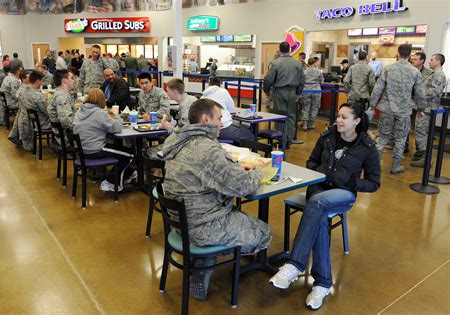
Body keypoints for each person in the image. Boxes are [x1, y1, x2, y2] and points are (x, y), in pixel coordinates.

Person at [270, 103, 380, 310]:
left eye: (344, 117)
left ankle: (295, 264)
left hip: (343, 193)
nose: (339, 120)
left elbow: (374, 183)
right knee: (318, 207)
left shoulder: (367, 147)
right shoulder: (327, 135)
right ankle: (322, 283)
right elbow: (311, 161)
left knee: (317, 204)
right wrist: (320, 174)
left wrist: (349, 182)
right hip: (319, 188)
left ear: (356, 122)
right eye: (338, 115)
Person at [162, 98, 272, 300]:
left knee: (235, 215)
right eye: (219, 118)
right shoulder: (206, 148)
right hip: (203, 226)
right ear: (205, 119)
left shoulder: (177, 140)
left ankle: (203, 261)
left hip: (181, 221)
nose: (222, 123)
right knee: (264, 231)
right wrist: (258, 172)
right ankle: (205, 262)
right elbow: (241, 186)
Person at [369, 44, 427, 174]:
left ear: (398, 54)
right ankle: (395, 166)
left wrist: (372, 106)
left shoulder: (388, 69)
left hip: (387, 109)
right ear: (410, 55)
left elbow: (378, 89)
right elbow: (420, 93)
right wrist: (421, 109)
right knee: (401, 139)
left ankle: (374, 166)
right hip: (404, 111)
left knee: (382, 137)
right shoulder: (415, 71)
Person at [73, 88, 135, 192]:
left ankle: (128, 173)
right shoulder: (99, 113)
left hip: (82, 150)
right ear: (102, 100)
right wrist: (116, 116)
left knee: (120, 151)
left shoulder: (80, 110)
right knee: (129, 154)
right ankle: (111, 182)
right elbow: (117, 128)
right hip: (95, 149)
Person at [264, 41, 305, 147]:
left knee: (279, 115)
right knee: (291, 116)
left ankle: (281, 139)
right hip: (292, 92)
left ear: (280, 50)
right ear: (290, 50)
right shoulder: (297, 63)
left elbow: (268, 79)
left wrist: (267, 91)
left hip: (279, 91)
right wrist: (298, 93)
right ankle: (289, 140)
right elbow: (302, 80)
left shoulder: (276, 63)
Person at [411, 53, 447, 167]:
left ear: (438, 61)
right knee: (421, 132)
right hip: (424, 107)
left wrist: (420, 94)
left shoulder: (439, 75)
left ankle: (426, 159)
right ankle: (423, 155)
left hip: (427, 108)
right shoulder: (434, 74)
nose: (429, 62)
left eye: (432, 60)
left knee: (421, 132)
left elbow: (434, 91)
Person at [202, 76, 254, 143]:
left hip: (208, 131)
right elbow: (232, 109)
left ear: (209, 84)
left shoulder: (203, 96)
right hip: (223, 128)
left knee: (243, 128)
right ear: (220, 84)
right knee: (250, 135)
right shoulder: (223, 91)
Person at [8, 71, 50, 152]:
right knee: (61, 121)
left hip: (27, 121)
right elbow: (48, 112)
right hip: (40, 123)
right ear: (37, 81)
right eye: (42, 81)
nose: (42, 83)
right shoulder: (38, 96)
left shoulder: (22, 91)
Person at [301, 57, 323, 130]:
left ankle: (304, 125)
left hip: (306, 91)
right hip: (316, 91)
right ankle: (311, 124)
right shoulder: (319, 71)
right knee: (315, 107)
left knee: (305, 107)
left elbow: (301, 81)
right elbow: (321, 81)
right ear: (314, 63)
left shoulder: (304, 72)